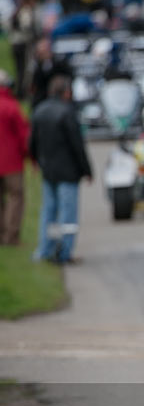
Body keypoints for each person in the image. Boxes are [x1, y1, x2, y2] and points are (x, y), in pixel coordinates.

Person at [30, 75, 93, 264]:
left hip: (48, 171)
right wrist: (87, 170)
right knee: (68, 216)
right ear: (66, 92)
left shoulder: (39, 111)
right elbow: (77, 145)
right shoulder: (67, 112)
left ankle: (45, 249)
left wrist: (36, 161)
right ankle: (64, 252)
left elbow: (33, 142)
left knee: (49, 213)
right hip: (68, 173)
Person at [0, 69, 30, 245]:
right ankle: (11, 236)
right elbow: (23, 135)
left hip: (9, 161)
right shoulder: (11, 106)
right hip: (11, 163)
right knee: (15, 197)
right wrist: (29, 155)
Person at [6, 0, 37, 99]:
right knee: (24, 69)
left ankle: (19, 91)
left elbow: (9, 25)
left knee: (19, 68)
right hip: (23, 43)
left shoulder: (16, 10)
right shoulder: (25, 11)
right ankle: (22, 92)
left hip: (15, 43)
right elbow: (26, 26)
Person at [29, 38, 72, 109]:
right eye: (40, 53)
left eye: (44, 52)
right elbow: (35, 85)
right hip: (43, 96)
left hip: (59, 94)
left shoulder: (59, 63)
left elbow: (68, 77)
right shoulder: (38, 66)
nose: (41, 55)